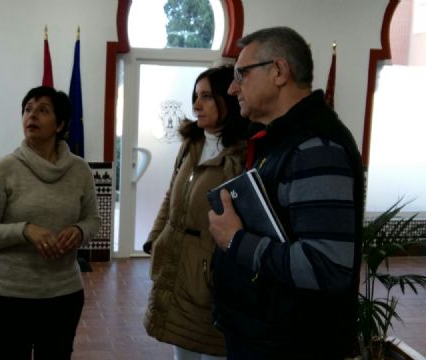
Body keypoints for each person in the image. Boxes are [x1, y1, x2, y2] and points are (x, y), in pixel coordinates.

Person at [207, 27, 364, 360]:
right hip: (265, 335)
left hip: (291, 345)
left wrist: (236, 241)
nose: (233, 87)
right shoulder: (280, 139)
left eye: (240, 74)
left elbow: (326, 266)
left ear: (278, 71)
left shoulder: (315, 148)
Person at [0, 86, 100, 360]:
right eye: (28, 109)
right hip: (7, 297)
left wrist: (79, 231)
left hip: (63, 295)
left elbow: (92, 220)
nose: (32, 116)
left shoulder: (80, 171)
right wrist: (24, 231)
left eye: (42, 110)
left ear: (60, 124)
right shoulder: (3, 169)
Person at [143, 65, 250, 360]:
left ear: (226, 100)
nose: (196, 105)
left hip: (211, 272)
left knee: (215, 347)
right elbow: (171, 194)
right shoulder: (192, 143)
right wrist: (155, 240)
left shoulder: (243, 153)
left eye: (206, 96)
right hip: (177, 263)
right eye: (195, 96)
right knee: (183, 347)